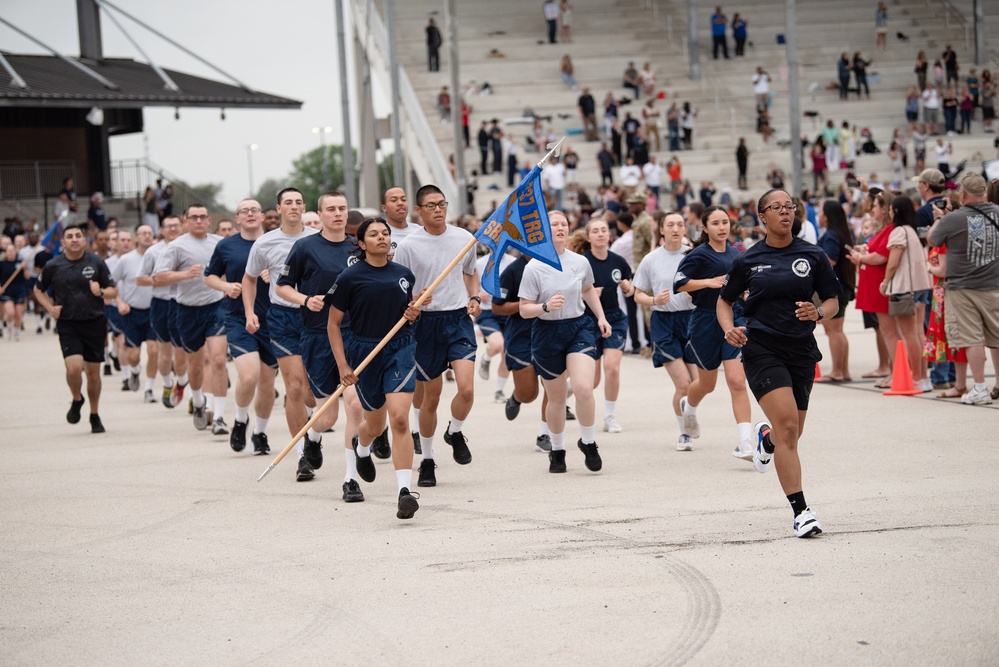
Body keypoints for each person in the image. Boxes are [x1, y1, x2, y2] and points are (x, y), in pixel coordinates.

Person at [718, 188, 841, 538]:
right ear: (762, 217)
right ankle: (802, 512)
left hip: (801, 350)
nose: (785, 212)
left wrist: (817, 312)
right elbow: (724, 302)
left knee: (791, 434)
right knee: (789, 426)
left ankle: (766, 439)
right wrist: (729, 329)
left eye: (790, 207)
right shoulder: (746, 260)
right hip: (761, 348)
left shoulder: (813, 255)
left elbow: (833, 300)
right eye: (777, 208)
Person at [328, 218, 425, 519]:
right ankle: (361, 446)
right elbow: (333, 325)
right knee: (374, 425)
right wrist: (343, 365)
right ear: (361, 243)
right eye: (373, 234)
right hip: (365, 351)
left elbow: (408, 314)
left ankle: (404, 492)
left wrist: (413, 313)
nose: (381, 238)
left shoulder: (404, 275)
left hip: (400, 348)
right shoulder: (349, 278)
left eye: (385, 233)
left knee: (399, 419)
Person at [276, 191, 367, 498]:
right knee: (327, 416)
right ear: (320, 214)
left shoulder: (359, 246)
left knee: (355, 405)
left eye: (342, 208)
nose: (338, 214)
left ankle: (350, 478)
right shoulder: (305, 247)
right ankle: (313, 440)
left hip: (357, 336)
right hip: (319, 336)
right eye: (331, 209)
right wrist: (305, 299)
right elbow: (282, 287)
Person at [393, 185, 480, 488]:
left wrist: (475, 297)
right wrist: (413, 299)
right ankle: (427, 459)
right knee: (431, 397)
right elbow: (398, 286)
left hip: (457, 319)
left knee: (467, 389)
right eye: (431, 205)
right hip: (424, 324)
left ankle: (454, 431)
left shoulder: (464, 239)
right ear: (419, 210)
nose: (438, 210)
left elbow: (471, 271)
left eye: (442, 204)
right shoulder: (409, 245)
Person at [519, 211, 611, 473]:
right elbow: (525, 309)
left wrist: (601, 317)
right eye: (554, 225)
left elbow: (587, 289)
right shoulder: (534, 266)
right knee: (556, 398)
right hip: (547, 331)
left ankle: (589, 442)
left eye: (563, 224)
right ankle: (557, 449)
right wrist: (545, 306)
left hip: (578, 327)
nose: (560, 228)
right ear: (544, 231)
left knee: (583, 388)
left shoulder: (580, 262)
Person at [243, 188, 320, 481]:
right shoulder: (265, 243)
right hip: (282, 318)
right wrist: (250, 312)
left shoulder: (316, 239)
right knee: (295, 387)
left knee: (314, 390)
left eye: (299, 202)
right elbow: (249, 279)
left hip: (314, 317)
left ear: (304, 208)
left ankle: (314, 433)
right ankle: (301, 454)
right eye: (288, 202)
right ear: (278, 208)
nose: (294, 207)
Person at [674, 206, 754, 460]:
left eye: (725, 222)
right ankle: (689, 407)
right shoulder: (698, 255)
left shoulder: (737, 255)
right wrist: (708, 282)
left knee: (738, 381)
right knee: (707, 384)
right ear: (705, 228)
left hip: (734, 319)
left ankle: (745, 442)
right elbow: (678, 284)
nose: (722, 227)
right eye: (716, 223)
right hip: (705, 320)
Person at [203, 200, 277, 455]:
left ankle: (260, 433)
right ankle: (241, 419)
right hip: (238, 317)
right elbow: (209, 276)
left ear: (263, 216)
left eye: (255, 210)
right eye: (244, 211)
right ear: (237, 219)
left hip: (274, 319)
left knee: (267, 384)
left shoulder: (275, 241)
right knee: (248, 375)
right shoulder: (226, 246)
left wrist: (275, 276)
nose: (250, 214)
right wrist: (225, 287)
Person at [34, 223, 117, 433]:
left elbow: (113, 292)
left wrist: (100, 292)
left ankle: (94, 414)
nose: (73, 239)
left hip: (94, 322)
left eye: (77, 236)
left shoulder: (96, 262)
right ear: (63, 242)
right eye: (69, 236)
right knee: (73, 368)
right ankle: (77, 398)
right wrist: (49, 307)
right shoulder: (53, 265)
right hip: (68, 323)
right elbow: (38, 290)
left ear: (83, 240)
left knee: (93, 373)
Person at [153, 204, 229, 434]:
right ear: (185, 221)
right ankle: (198, 402)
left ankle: (218, 416)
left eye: (202, 217)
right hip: (186, 310)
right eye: (193, 217)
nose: (198, 221)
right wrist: (184, 274)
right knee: (195, 365)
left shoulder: (219, 243)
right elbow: (159, 277)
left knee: (217, 360)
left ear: (208, 220)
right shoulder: (176, 247)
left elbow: (230, 268)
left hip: (216, 307)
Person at [927, 173, 999, 405]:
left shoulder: (953, 219)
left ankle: (979, 387)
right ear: (985, 193)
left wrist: (939, 218)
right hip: (994, 284)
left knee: (972, 338)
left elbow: (932, 239)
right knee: (996, 337)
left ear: (963, 194)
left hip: (962, 287)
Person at [632, 211, 697, 449]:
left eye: (680, 224)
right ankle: (684, 433)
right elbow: (637, 294)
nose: (676, 229)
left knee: (697, 385)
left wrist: (696, 292)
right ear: (662, 230)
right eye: (670, 225)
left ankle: (690, 414)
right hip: (663, 321)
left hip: (691, 320)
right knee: (684, 385)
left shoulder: (694, 254)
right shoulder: (651, 259)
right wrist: (654, 301)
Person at [579, 218, 634, 433]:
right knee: (591, 380)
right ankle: (565, 393)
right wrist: (587, 296)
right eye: (595, 231)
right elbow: (570, 292)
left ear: (609, 235)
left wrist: (628, 288)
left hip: (614, 318)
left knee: (612, 367)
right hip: (587, 320)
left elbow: (630, 291)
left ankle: (610, 416)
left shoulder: (618, 261)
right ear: (588, 236)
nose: (600, 234)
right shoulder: (582, 262)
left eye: (603, 230)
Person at [138, 216, 189, 409]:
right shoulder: (153, 251)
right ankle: (168, 383)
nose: (174, 229)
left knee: (184, 351)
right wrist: (161, 279)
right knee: (165, 350)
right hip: (161, 303)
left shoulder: (188, 247)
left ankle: (183, 382)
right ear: (162, 230)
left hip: (183, 302)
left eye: (176, 225)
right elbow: (140, 279)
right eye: (169, 226)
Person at [111, 225, 159, 402]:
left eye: (149, 233)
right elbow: (112, 284)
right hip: (131, 312)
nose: (147, 236)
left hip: (153, 311)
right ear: (135, 238)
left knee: (154, 351)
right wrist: (119, 302)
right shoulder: (125, 260)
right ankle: (135, 370)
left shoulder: (159, 256)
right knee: (134, 355)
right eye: (143, 234)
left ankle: (149, 389)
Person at [815, 201, 856, 383]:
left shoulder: (831, 235)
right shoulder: (841, 233)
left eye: (821, 212)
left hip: (834, 287)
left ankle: (837, 371)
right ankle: (843, 370)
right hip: (843, 286)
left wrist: (812, 256)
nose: (819, 216)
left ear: (827, 216)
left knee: (833, 331)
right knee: (838, 330)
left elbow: (830, 260)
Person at [475, 250, 514, 403]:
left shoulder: (512, 262)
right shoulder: (479, 264)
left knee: (507, 352)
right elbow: (468, 287)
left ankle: (499, 391)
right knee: (498, 345)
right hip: (487, 311)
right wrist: (478, 294)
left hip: (506, 311)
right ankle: (486, 357)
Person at [380, 187, 421, 257]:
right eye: (393, 200)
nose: (400, 203)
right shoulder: (379, 235)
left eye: (403, 199)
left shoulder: (420, 231)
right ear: (384, 208)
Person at [1, 243, 28, 340]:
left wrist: (24, 268)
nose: (11, 253)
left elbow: (27, 276)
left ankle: (17, 331)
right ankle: (9, 327)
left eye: (12, 250)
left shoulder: (20, 263)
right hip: (7, 291)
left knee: (18, 314)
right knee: (10, 312)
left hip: (19, 290)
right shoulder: (2, 263)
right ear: (6, 252)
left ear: (15, 252)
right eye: (9, 251)